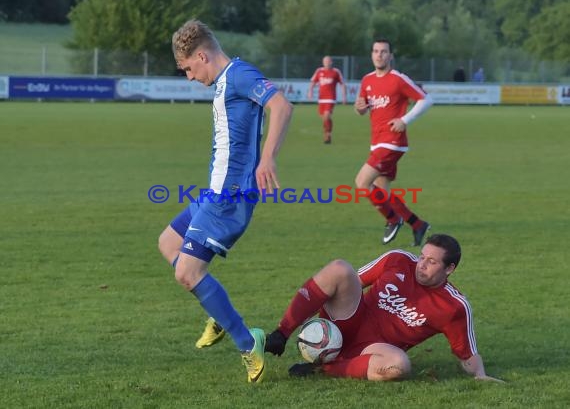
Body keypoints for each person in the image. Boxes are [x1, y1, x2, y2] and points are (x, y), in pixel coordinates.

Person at [158, 19, 293, 383]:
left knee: (188, 273)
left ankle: (249, 343)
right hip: (213, 192)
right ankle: (217, 309)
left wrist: (268, 158)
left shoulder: (239, 75)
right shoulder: (223, 82)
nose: (188, 77)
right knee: (168, 242)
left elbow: (281, 105)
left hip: (229, 198)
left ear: (201, 55)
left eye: (188, 68)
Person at [264, 234, 504, 383]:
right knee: (340, 268)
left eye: (431, 262)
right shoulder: (398, 260)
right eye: (422, 257)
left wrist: (480, 375)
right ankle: (281, 333)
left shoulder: (454, 307)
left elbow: (467, 354)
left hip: (374, 349)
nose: (422, 265)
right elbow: (349, 283)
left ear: (449, 269)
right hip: (349, 320)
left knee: (399, 366)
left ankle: (322, 369)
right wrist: (287, 328)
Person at [354, 39, 433, 246]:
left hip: (392, 142)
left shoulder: (398, 79)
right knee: (383, 192)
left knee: (362, 183)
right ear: (372, 54)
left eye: (384, 52)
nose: (379, 55)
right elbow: (362, 108)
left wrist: (404, 120)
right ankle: (417, 224)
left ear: (390, 56)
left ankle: (392, 219)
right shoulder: (367, 80)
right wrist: (360, 108)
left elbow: (426, 99)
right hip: (377, 142)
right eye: (376, 51)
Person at [308, 56, 347, 144]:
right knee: (324, 118)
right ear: (323, 62)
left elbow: (342, 84)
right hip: (321, 99)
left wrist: (344, 96)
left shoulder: (335, 72)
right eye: (325, 61)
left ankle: (328, 134)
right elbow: (313, 82)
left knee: (326, 116)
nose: (326, 63)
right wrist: (310, 92)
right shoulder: (319, 71)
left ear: (331, 62)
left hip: (331, 98)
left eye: (328, 61)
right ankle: (327, 131)